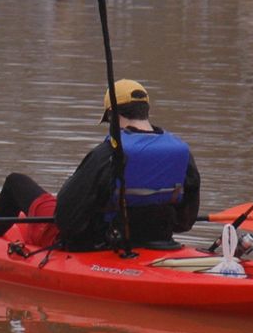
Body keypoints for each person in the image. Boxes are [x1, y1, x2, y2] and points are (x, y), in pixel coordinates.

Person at [53, 80, 200, 251]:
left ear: (111, 115)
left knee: (16, 183)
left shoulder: (108, 153)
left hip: (104, 244)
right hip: (161, 241)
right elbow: (185, 221)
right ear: (146, 111)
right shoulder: (181, 152)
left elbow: (66, 218)